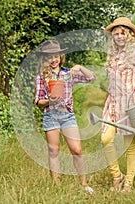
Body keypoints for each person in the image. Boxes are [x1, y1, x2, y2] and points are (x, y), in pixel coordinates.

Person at [101, 17, 135, 193]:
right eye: (115, 33)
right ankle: (117, 176)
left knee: (130, 146)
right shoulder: (112, 56)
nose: (118, 36)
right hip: (112, 103)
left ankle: (128, 184)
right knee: (105, 139)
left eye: (122, 33)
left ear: (129, 35)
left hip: (129, 103)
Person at [34, 40, 95, 194]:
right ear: (44, 59)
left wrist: (80, 67)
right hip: (51, 116)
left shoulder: (69, 73)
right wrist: (49, 101)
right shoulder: (41, 77)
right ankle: (56, 186)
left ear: (61, 56)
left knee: (77, 150)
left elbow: (91, 77)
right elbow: (38, 101)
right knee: (54, 151)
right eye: (49, 57)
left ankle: (84, 184)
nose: (53, 59)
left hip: (67, 115)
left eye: (56, 55)